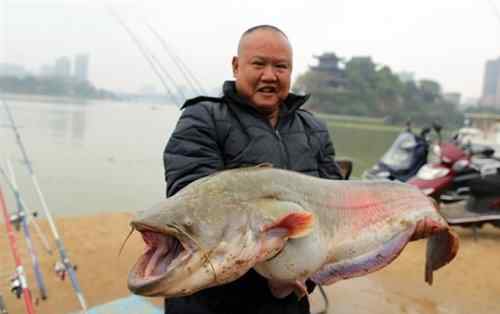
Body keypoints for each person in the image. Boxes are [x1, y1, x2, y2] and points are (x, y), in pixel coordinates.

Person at [163, 24, 342, 314]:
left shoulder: (314, 129)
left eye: (281, 67)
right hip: (211, 302)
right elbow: (191, 203)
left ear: (290, 71)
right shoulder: (202, 119)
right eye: (259, 64)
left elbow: (334, 206)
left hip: (289, 303)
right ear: (236, 66)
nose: (270, 76)